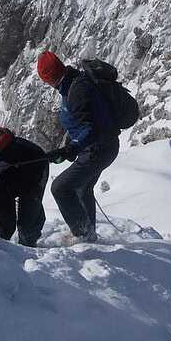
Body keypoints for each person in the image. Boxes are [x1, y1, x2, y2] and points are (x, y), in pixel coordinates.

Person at [37, 51, 120, 243]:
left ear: (50, 78)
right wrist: (70, 144)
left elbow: (88, 127)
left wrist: (72, 148)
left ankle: (83, 233)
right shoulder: (72, 84)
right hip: (100, 146)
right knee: (83, 186)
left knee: (60, 188)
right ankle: (87, 231)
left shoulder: (77, 91)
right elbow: (82, 122)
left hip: (99, 149)